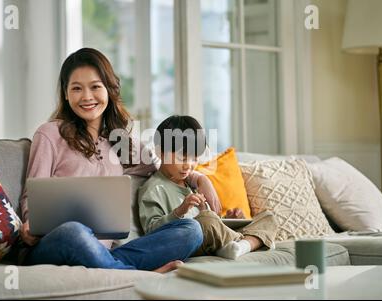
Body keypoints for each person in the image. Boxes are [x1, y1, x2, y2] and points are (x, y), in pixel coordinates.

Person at [19, 48, 222, 273]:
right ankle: (135, 277)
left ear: (109, 89)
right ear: (66, 94)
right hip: (56, 244)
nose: (86, 97)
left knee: (191, 230)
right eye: (76, 88)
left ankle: (113, 269)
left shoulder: (123, 143)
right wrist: (30, 224)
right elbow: (32, 194)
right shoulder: (49, 134)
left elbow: (163, 166)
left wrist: (199, 178)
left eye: (95, 87)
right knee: (74, 231)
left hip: (103, 252)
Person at [139, 115, 278, 260]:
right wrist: (180, 211)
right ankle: (252, 241)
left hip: (213, 234)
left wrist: (226, 219)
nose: (189, 165)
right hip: (191, 241)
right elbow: (151, 233)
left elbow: (212, 222)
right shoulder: (153, 190)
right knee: (206, 220)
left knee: (269, 217)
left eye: (194, 158)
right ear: (160, 152)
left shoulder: (190, 182)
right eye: (183, 158)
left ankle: (240, 245)